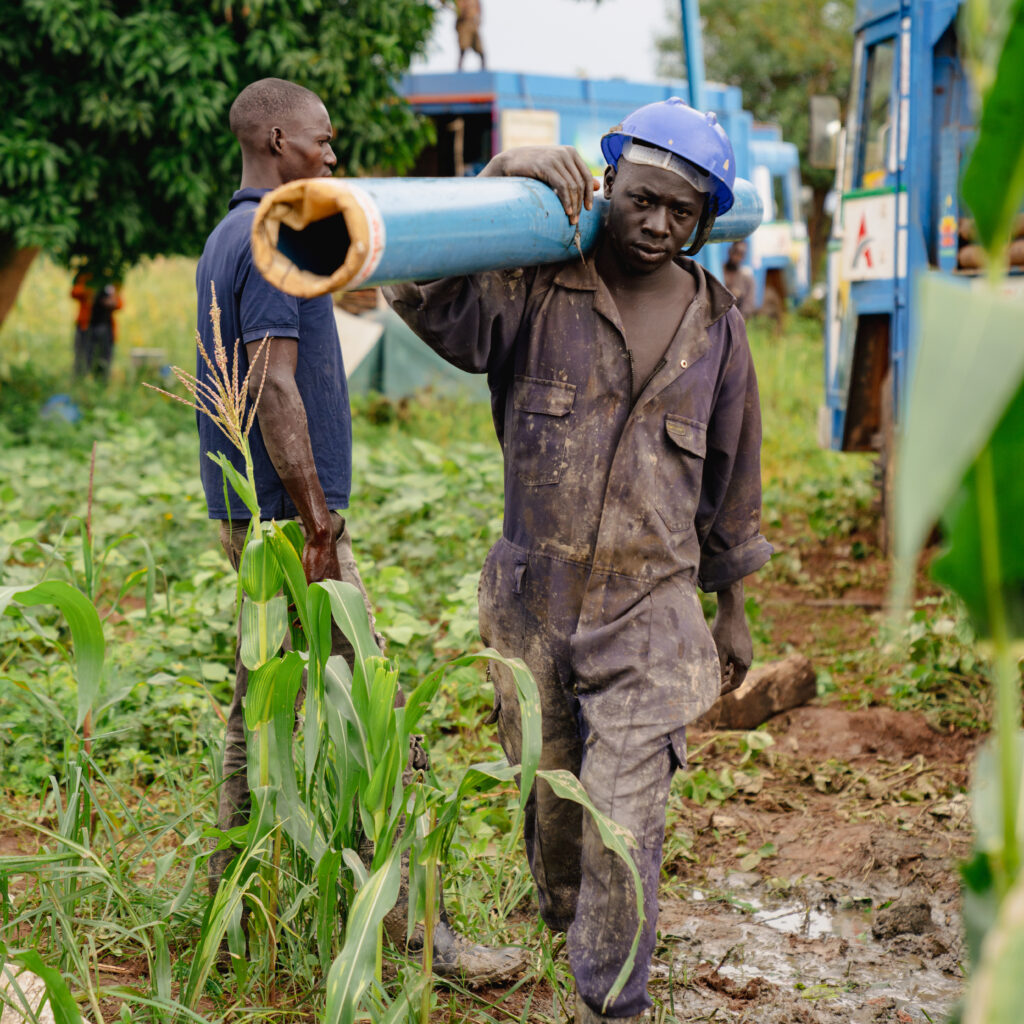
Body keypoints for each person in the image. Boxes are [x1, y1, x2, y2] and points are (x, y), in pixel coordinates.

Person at [385, 98, 772, 1022]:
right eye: (645, 201)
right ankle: (569, 924)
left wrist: (734, 607)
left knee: (623, 816)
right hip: (534, 600)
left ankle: (614, 1004)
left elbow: (733, 472)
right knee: (555, 809)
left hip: (654, 608)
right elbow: (426, 297)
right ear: (609, 187)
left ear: (706, 223)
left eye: (684, 213)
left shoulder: (716, 328)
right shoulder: (534, 285)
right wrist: (494, 180)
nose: (660, 224)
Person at [195, 76, 523, 984]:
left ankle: (231, 902)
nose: (332, 155)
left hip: (253, 514)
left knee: (255, 710)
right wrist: (317, 527)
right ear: (273, 137)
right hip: (286, 521)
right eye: (321, 140)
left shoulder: (231, 234)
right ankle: (419, 923)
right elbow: (269, 384)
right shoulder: (273, 234)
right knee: (382, 708)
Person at [71, 272, 123, 379]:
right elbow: (74, 292)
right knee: (83, 361)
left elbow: (119, 302)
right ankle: (80, 385)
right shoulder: (86, 275)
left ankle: (100, 386)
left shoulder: (112, 278)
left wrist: (111, 302)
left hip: (106, 327)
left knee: (104, 361)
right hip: (86, 326)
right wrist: (91, 291)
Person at [722, 239, 758, 317]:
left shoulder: (746, 278)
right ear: (730, 252)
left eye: (741, 254)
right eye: (735, 252)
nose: (737, 257)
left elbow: (749, 303)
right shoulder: (719, 271)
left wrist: (740, 319)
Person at [451, 0, 485, 71]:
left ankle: (484, 70)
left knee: (480, 49)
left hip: (473, 24)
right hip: (464, 24)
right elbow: (458, 10)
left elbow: (479, 7)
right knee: (463, 47)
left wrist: (479, 18)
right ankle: (459, 69)